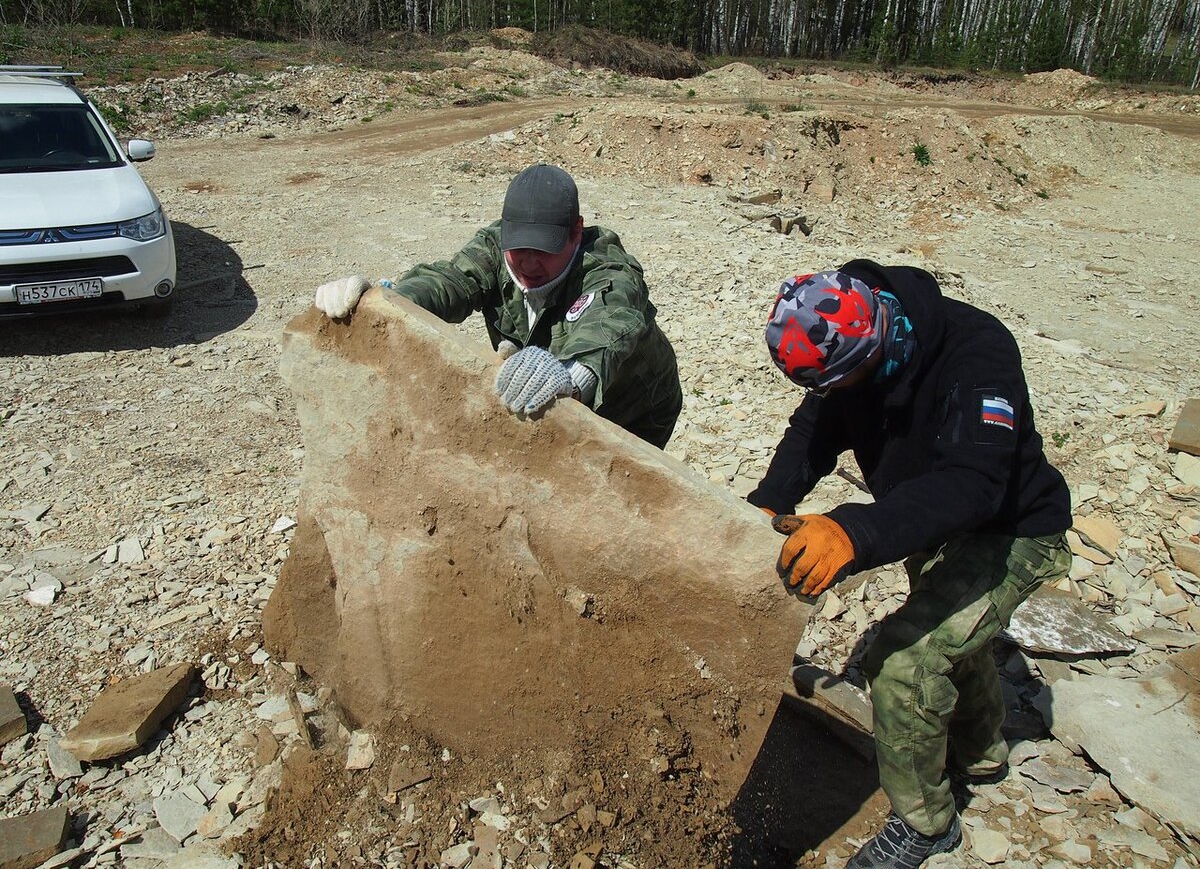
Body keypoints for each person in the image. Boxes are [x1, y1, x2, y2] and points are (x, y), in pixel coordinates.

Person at [747, 264, 1072, 869]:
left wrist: (857, 530)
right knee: (953, 638)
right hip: (928, 522)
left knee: (900, 660)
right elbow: (814, 431)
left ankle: (927, 825)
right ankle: (980, 752)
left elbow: (975, 481)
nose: (838, 398)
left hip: (1011, 530)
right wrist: (769, 500)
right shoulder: (845, 363)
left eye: (846, 382)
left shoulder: (976, 350)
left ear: (879, 337)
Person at [314, 163, 682, 448]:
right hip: (545, 390)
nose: (528, 264)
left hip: (632, 409)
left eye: (544, 250)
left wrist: (571, 376)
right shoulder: (494, 248)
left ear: (575, 232)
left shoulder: (608, 269)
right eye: (519, 248)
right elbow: (451, 281)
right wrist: (387, 300)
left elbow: (608, 323)